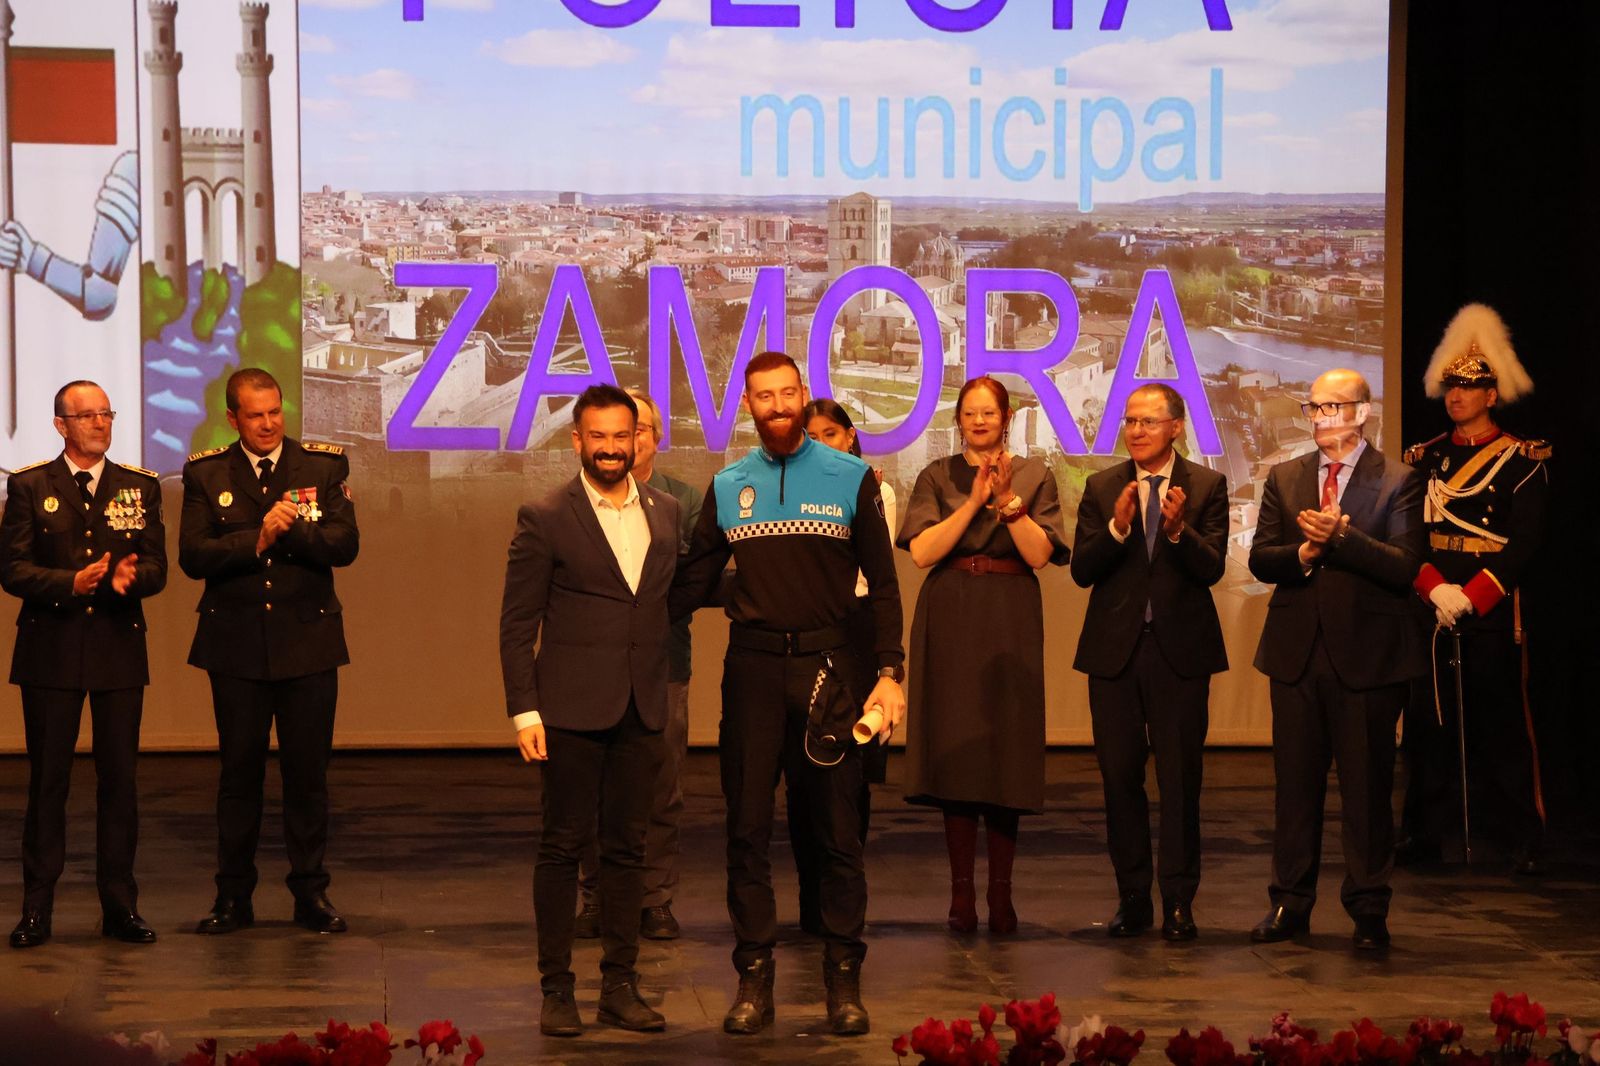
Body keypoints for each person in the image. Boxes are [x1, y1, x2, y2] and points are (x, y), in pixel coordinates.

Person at [670, 352, 904, 1037]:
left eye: (785, 393)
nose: (775, 405)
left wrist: (889, 673)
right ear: (747, 406)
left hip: (832, 668)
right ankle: (754, 978)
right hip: (752, 673)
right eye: (761, 397)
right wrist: (618, 607)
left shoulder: (851, 477)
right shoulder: (728, 485)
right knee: (745, 829)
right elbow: (692, 581)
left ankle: (842, 977)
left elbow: (883, 586)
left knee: (836, 833)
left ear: (804, 395)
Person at [500, 384, 678, 1037]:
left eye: (620, 436)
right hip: (569, 711)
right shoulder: (545, 515)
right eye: (596, 436)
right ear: (577, 440)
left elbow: (668, 602)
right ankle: (557, 991)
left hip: (640, 707)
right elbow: (517, 624)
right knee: (562, 847)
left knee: (628, 851)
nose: (609, 448)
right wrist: (525, 711)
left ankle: (620, 988)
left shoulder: (665, 512)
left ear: (637, 439)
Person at [1247, 368, 1425, 952]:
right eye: (1313, 407)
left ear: (1362, 412)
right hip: (1297, 654)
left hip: (1369, 657)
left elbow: (1402, 566)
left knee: (1368, 790)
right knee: (1294, 790)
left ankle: (1369, 908)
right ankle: (1289, 905)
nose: (1319, 418)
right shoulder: (1287, 476)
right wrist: (1303, 550)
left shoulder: (1397, 479)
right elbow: (1262, 559)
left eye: (1330, 407)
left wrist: (1342, 540)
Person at [179, 368, 359, 936]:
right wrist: (255, 538)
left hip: (308, 642)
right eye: (254, 415)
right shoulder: (207, 473)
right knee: (239, 777)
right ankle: (233, 897)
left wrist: (292, 531)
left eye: (275, 412)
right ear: (233, 418)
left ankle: (311, 894)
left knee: (308, 777)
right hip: (235, 646)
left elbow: (344, 544)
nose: (268, 424)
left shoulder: (323, 466)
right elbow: (192, 556)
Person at [897, 376, 1070, 936]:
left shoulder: (1036, 474)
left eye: (988, 413)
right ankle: (961, 896)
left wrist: (1008, 507)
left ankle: (1002, 895)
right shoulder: (936, 475)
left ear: (1007, 416)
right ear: (959, 420)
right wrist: (974, 501)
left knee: (1005, 752)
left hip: (1009, 610)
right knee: (957, 750)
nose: (978, 421)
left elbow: (1042, 556)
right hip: (951, 611)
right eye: (969, 413)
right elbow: (922, 552)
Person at [1, 381, 165, 948]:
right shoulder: (28, 486)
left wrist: (130, 578)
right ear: (60, 425)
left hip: (118, 647)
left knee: (119, 782)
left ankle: (120, 907)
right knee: (49, 782)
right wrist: (68, 583)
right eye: (87, 415)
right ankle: (36, 910)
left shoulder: (138, 486)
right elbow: (13, 570)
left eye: (106, 413)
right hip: (50, 648)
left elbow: (158, 567)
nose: (100, 423)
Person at [1071, 383, 1228, 942]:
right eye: (1130, 421)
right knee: (1119, 780)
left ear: (1176, 427)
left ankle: (1179, 902)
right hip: (1114, 653)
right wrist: (1116, 527)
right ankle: (1133, 897)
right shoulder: (1102, 485)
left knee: (1181, 782)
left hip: (1180, 654)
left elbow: (1211, 569)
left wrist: (1181, 530)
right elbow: (1082, 570)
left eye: (1148, 422)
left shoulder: (1206, 485)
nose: (1135, 431)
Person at [1400, 304, 1548, 874]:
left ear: (1492, 394)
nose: (1456, 396)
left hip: (1489, 610)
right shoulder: (1426, 458)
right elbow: (1409, 532)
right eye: (1451, 387)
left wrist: (1474, 595)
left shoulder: (1522, 461)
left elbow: (1526, 543)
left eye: (1470, 387)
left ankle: (1521, 836)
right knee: (1428, 727)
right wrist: (1435, 590)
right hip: (1432, 604)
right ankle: (1423, 834)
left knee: (1501, 726)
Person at [571, 389, 702, 944]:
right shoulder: (573, 503)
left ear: (651, 437)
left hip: (663, 662)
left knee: (661, 789)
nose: (628, 440)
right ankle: (597, 897)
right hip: (594, 667)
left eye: (638, 429)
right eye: (616, 430)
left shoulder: (683, 501)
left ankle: (656, 899)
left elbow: (693, 582)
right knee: (593, 791)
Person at [791, 397, 895, 936]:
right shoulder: (789, 492)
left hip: (854, 636)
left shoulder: (872, 490)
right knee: (804, 777)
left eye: (832, 434)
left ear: (851, 438)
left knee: (852, 778)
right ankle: (812, 901)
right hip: (807, 639)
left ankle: (844, 900)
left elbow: (869, 578)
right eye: (812, 435)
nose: (822, 444)